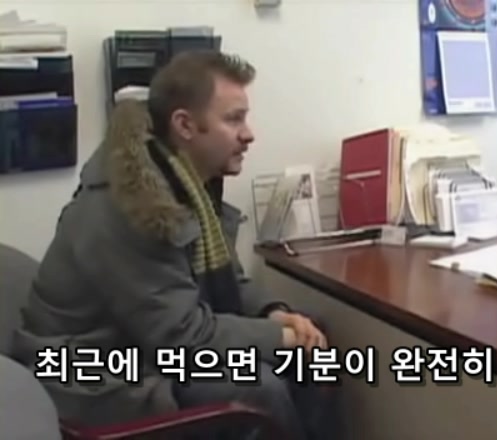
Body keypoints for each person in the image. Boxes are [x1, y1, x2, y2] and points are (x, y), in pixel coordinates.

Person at [11, 50, 340, 439]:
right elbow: (184, 338)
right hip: (91, 376)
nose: (249, 134)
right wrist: (282, 339)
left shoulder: (184, 180)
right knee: (260, 386)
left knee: (310, 357)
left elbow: (228, 281)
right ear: (184, 125)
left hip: (142, 346)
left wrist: (275, 314)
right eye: (234, 119)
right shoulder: (132, 206)